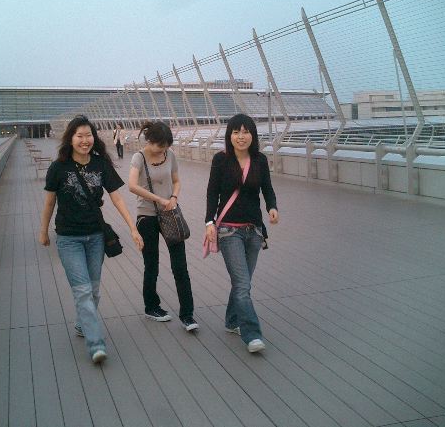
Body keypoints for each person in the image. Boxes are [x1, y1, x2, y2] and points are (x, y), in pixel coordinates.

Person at [39, 115, 143, 363]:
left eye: (89, 135)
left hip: (96, 237)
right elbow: (50, 202)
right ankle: (96, 345)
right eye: (80, 136)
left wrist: (133, 228)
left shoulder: (100, 164)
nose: (85, 140)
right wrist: (43, 231)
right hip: (68, 238)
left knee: (93, 291)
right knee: (83, 291)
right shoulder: (58, 167)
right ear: (70, 139)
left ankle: (82, 323)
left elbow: (117, 198)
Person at [204, 113, 279, 353]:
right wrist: (209, 221)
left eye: (246, 132)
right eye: (236, 132)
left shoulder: (260, 160)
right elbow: (212, 192)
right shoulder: (221, 160)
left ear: (253, 135)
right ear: (230, 135)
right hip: (228, 230)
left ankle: (231, 320)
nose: (241, 136)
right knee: (243, 284)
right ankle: (252, 334)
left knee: (242, 282)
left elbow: (267, 189)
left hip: (254, 230)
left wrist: (272, 207)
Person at [128, 121, 198, 331]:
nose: (163, 150)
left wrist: (174, 197)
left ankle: (187, 315)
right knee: (152, 265)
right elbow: (132, 186)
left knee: (180, 266)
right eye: (160, 146)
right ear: (149, 141)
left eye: (166, 146)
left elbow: (176, 181)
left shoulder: (170, 155)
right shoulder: (138, 158)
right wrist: (158, 199)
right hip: (147, 216)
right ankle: (151, 307)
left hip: (169, 214)